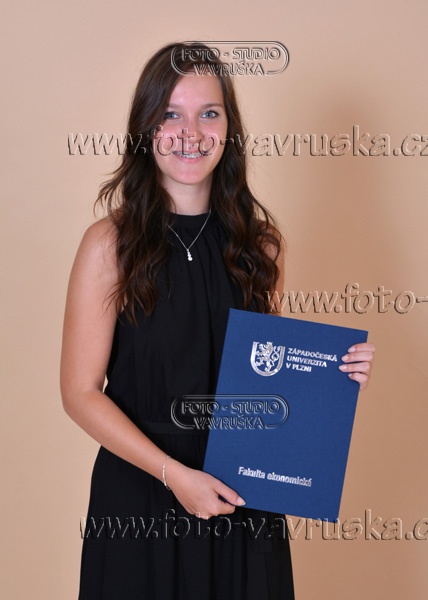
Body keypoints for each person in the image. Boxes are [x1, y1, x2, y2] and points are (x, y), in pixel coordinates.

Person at [60, 42, 375, 600]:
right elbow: (79, 394)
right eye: (170, 114)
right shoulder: (109, 245)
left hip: (242, 498)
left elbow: (270, 383)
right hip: (141, 499)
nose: (191, 132)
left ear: (229, 128)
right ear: (146, 128)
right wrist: (174, 475)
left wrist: (334, 379)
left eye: (209, 112)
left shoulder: (262, 247)